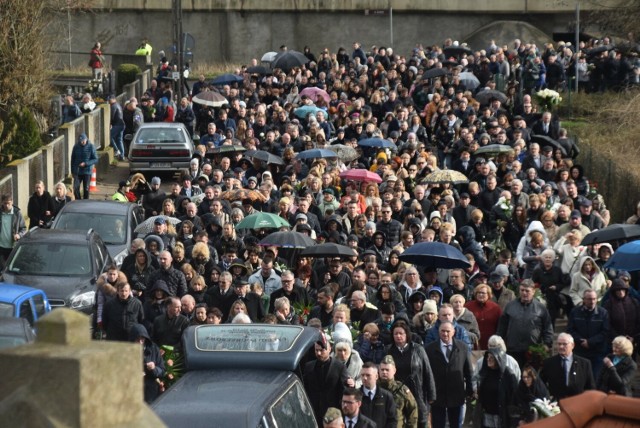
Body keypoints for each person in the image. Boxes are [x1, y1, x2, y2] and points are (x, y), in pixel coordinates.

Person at [425, 321, 475, 428]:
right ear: (438, 332)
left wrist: (470, 391)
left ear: (453, 332)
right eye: (442, 331)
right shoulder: (429, 349)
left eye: (448, 331)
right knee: (438, 424)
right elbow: (427, 373)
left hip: (457, 394)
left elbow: (468, 371)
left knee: (456, 424)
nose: (445, 334)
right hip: (437, 394)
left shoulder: (463, 347)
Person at [386, 321, 436, 428]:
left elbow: (428, 372)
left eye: (401, 333)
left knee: (420, 421)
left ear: (407, 334)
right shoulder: (388, 351)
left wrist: (432, 394)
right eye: (396, 334)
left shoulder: (418, 349)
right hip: (397, 393)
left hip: (417, 392)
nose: (398, 336)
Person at [496, 279, 554, 367]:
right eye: (522, 290)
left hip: (533, 351)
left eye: (527, 291)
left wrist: (547, 344)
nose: (524, 293)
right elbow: (502, 327)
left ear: (533, 292)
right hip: (513, 350)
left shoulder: (541, 308)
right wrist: (499, 341)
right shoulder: (510, 306)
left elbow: (548, 328)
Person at [303, 333, 350, 426]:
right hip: (314, 411)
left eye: (322, 350)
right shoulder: (309, 366)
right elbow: (305, 389)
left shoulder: (339, 367)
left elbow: (343, 391)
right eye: (316, 350)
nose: (319, 353)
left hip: (333, 413)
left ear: (330, 349)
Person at [566, 289, 610, 378]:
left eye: (594, 299)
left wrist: (590, 342)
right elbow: (570, 330)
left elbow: (605, 332)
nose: (592, 301)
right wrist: (581, 341)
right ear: (584, 300)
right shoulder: (575, 312)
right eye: (589, 299)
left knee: (595, 378)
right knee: (580, 378)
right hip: (580, 351)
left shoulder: (603, 313)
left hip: (597, 351)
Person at [540, 333, 595, 400]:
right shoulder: (548, 363)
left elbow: (591, 387)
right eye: (559, 344)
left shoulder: (584, 364)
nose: (561, 347)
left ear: (572, 345)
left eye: (564, 344)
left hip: (578, 403)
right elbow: (541, 384)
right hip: (556, 405)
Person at [474, 347, 518, 428]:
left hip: (501, 415)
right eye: (488, 357)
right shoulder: (485, 373)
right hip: (487, 413)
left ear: (498, 359)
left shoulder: (509, 375)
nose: (488, 359)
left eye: (492, 357)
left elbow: (514, 397)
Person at [378, 355, 419, 428]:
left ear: (394, 371)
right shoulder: (373, 388)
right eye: (382, 369)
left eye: (387, 370)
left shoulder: (402, 390)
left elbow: (412, 410)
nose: (384, 372)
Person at [359, 362, 398, 428]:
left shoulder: (387, 396)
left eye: (368, 375)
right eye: (362, 375)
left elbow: (392, 420)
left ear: (376, 376)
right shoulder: (355, 396)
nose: (364, 378)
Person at [464, 284, 501, 350]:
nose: (480, 295)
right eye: (478, 292)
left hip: (490, 342)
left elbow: (500, 325)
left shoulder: (495, 308)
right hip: (472, 343)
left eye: (483, 293)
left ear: (488, 294)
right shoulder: (468, 306)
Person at [0, 194, 26, 269]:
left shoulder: (17, 214)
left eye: (9, 203)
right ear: (2, 202)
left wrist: (19, 235)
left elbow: (23, 228)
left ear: (12, 202)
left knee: (11, 268)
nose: (7, 205)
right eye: (5, 203)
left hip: (12, 246)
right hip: (1, 246)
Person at [109, 94, 126, 160]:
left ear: (114, 99)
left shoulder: (113, 106)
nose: (109, 101)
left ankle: (117, 151)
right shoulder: (118, 105)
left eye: (110, 99)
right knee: (119, 140)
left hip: (117, 124)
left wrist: (110, 123)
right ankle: (122, 156)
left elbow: (112, 116)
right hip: (122, 124)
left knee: (109, 136)